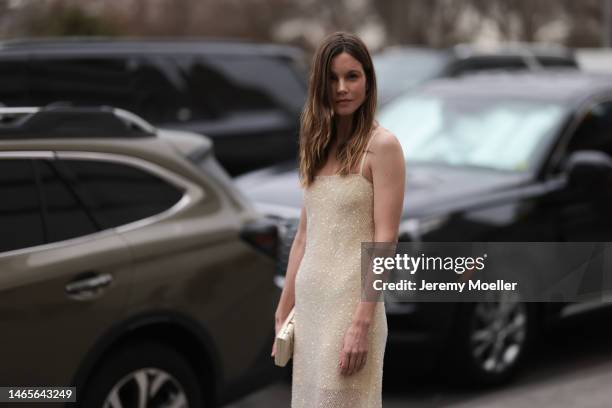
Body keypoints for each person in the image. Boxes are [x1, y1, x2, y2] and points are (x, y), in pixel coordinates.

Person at [271, 31, 406, 407]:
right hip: (311, 307)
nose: (342, 88)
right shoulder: (316, 142)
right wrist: (284, 309)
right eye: (332, 78)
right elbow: (302, 237)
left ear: (368, 80)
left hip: (351, 309)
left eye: (352, 76)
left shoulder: (383, 146)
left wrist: (361, 324)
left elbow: (385, 242)